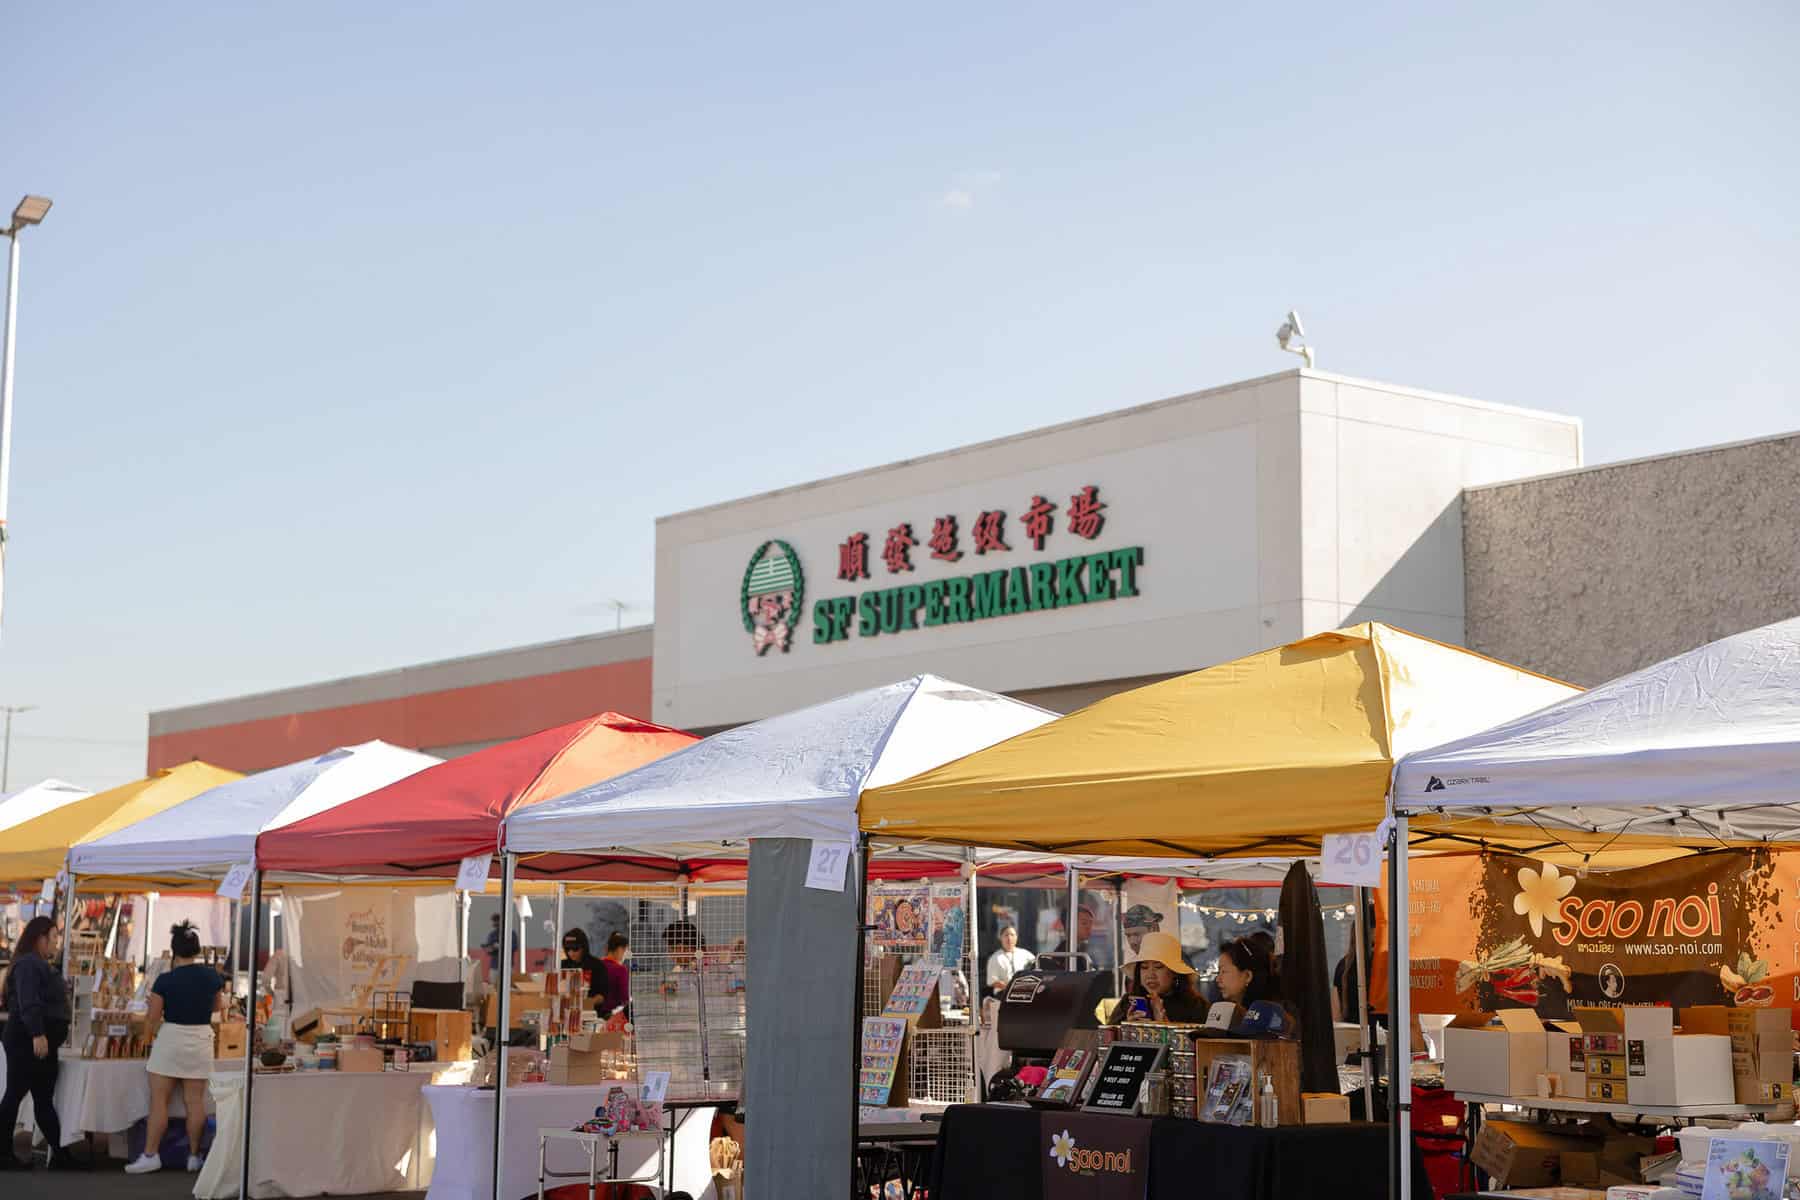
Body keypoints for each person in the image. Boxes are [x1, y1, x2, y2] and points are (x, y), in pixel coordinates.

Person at [126, 921, 226, 1175]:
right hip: (201, 1040)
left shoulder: (165, 979)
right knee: (195, 1102)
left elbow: (154, 1016)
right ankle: (194, 1156)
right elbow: (217, 1007)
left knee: (159, 1102)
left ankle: (150, 1154)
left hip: (171, 1040)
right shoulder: (212, 976)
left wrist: (152, 1007)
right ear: (197, 949)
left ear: (174, 950)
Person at [0, 916, 77, 1170]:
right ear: (40, 938)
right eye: (54, 937)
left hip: (40, 1041)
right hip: (28, 1040)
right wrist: (37, 1033)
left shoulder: (36, 963)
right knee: (15, 1095)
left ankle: (59, 1154)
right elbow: (28, 1001)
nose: (56, 943)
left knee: (42, 1098)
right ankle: (3, 1154)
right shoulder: (28, 965)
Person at [1110, 931, 1208, 1024]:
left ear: (1175, 972)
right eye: (1144, 967)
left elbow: (1201, 1041)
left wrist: (1164, 1024)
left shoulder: (1196, 1006)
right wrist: (1128, 1029)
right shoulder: (1128, 1003)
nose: (1150, 974)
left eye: (1158, 967)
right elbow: (1107, 1038)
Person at [560, 928, 610, 1012]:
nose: (571, 952)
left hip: (591, 1013)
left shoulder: (597, 965)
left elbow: (603, 995)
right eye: (567, 949)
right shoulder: (562, 965)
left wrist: (588, 1002)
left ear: (583, 947)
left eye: (575, 948)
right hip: (567, 1012)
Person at [984, 925, 1035, 997]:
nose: (1009, 938)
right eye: (1006, 935)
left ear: (1016, 937)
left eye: (1012, 935)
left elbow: (1036, 966)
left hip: (1025, 992)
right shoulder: (995, 958)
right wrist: (1011, 987)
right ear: (1000, 938)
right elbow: (993, 982)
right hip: (1003, 993)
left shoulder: (1026, 954)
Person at [595, 933, 631, 1020]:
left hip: (593, 1014)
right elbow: (624, 998)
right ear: (619, 949)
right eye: (625, 951)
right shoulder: (620, 969)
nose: (625, 956)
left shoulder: (596, 965)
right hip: (612, 1016)